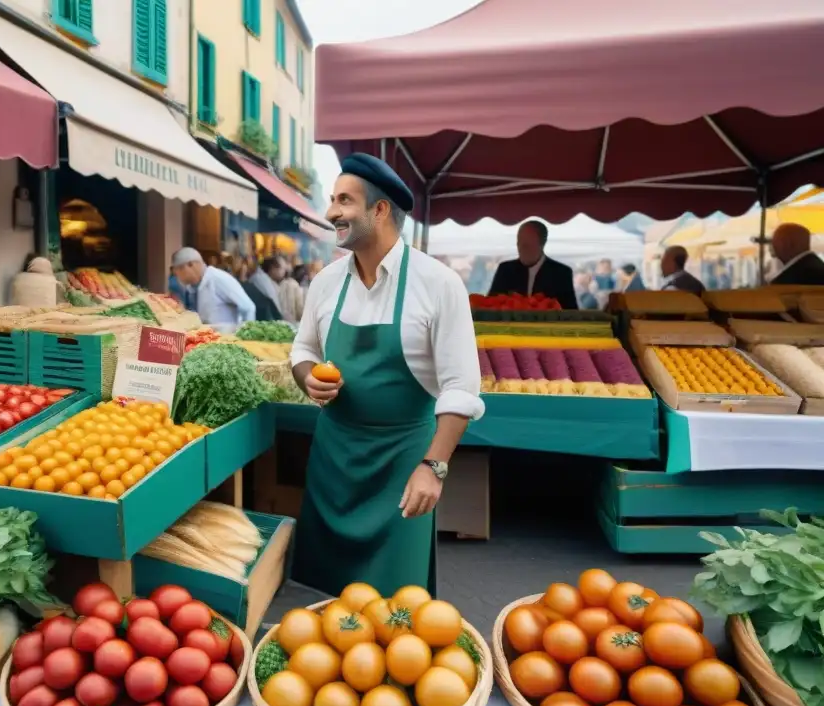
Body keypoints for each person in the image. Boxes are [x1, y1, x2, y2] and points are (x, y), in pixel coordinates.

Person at [289, 152, 483, 598]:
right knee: (325, 599)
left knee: (398, 602)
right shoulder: (325, 282)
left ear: (379, 210)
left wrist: (433, 467)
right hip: (334, 460)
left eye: (343, 201)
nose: (330, 212)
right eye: (332, 199)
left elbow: (461, 388)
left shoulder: (438, 283)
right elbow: (303, 348)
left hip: (402, 462)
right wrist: (306, 376)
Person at [488, 221, 579, 309]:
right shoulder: (505, 270)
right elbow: (489, 307)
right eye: (519, 243)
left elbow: (571, 313)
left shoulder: (561, 273)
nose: (521, 249)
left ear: (542, 244)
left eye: (527, 245)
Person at [170, 247, 255, 332]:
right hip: (206, 339)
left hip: (227, 338)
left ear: (190, 265)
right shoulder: (191, 287)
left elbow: (248, 307)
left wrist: (246, 335)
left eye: (178, 272)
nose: (178, 278)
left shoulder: (218, 278)